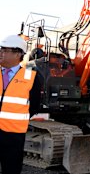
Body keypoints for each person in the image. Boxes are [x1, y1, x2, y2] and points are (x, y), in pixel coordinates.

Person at [0, 34, 42, 174]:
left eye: (5, 50)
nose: (1, 53)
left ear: (18, 54)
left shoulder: (31, 78)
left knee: (11, 169)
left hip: (14, 135)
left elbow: (34, 105)